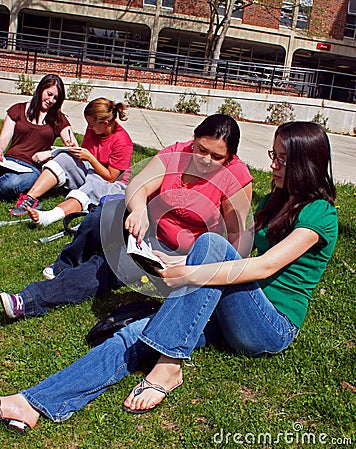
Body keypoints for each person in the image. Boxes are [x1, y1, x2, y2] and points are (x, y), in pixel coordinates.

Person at [0, 121, 338, 431]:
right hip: (232, 309)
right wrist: (176, 264)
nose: (273, 165)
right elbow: (239, 257)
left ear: (305, 164)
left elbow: (263, 266)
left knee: (210, 243)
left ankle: (170, 363)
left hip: (270, 325)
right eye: (273, 156)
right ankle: (33, 402)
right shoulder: (275, 200)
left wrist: (189, 271)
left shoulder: (321, 213)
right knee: (133, 335)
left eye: (281, 159)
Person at [0, 113, 253, 318]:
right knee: (107, 211)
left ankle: (29, 299)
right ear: (193, 139)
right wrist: (140, 209)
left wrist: (187, 262)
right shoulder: (178, 152)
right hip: (146, 231)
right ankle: (64, 264)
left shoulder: (236, 178)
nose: (206, 160)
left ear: (231, 157)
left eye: (217, 157)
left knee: (108, 267)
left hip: (178, 255)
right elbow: (139, 185)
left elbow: (234, 243)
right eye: (201, 150)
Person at [9, 98, 133, 225]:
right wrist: (74, 149)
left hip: (111, 183)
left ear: (106, 123)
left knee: (93, 185)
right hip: (92, 170)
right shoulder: (94, 130)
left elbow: (111, 177)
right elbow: (85, 153)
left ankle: (49, 217)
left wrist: (90, 157)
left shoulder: (122, 142)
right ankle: (30, 198)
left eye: (92, 124)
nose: (89, 127)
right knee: (64, 157)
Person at [0, 73, 77, 201]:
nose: (51, 100)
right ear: (41, 89)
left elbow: (74, 148)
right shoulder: (17, 109)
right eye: (49, 94)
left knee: (11, 184)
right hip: (10, 161)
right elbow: (3, 139)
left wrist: (50, 153)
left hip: (32, 168)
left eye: (55, 98)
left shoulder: (59, 120)